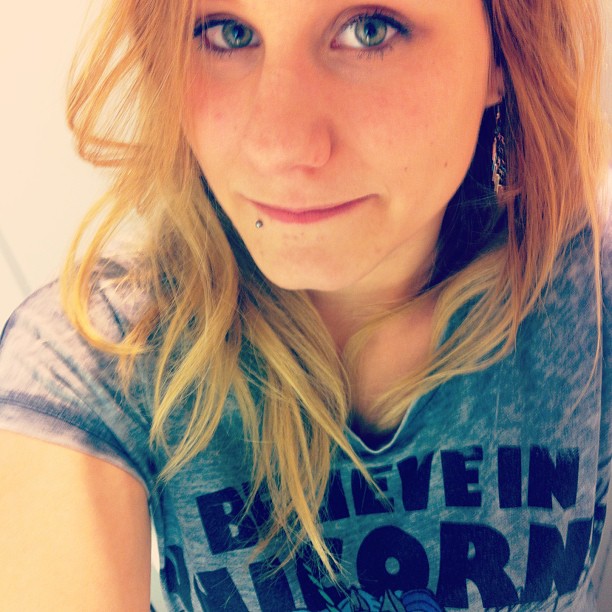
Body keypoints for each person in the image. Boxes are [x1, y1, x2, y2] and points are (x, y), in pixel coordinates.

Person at [0, 0, 609, 609]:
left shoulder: (591, 300)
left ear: (503, 50)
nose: (280, 145)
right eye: (227, 33)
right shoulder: (98, 356)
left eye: (370, 30)